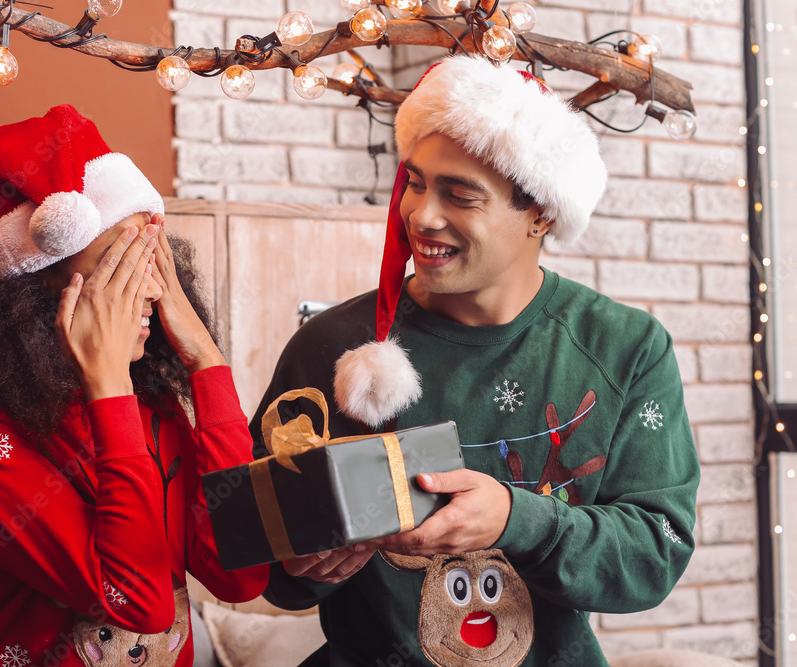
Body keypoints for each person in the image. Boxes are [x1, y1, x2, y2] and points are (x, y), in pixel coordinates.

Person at [250, 55, 699, 667]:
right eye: (414, 183)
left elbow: (654, 554)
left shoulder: (625, 349)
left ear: (540, 213)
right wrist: (300, 563)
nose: (421, 216)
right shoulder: (333, 347)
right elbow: (268, 569)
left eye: (459, 196)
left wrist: (517, 519)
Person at [0, 105, 268, 667]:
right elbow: (140, 603)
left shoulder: (148, 404)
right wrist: (109, 388)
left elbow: (242, 575)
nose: (150, 292)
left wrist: (206, 359)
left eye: (151, 260)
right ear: (28, 299)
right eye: (119, 269)